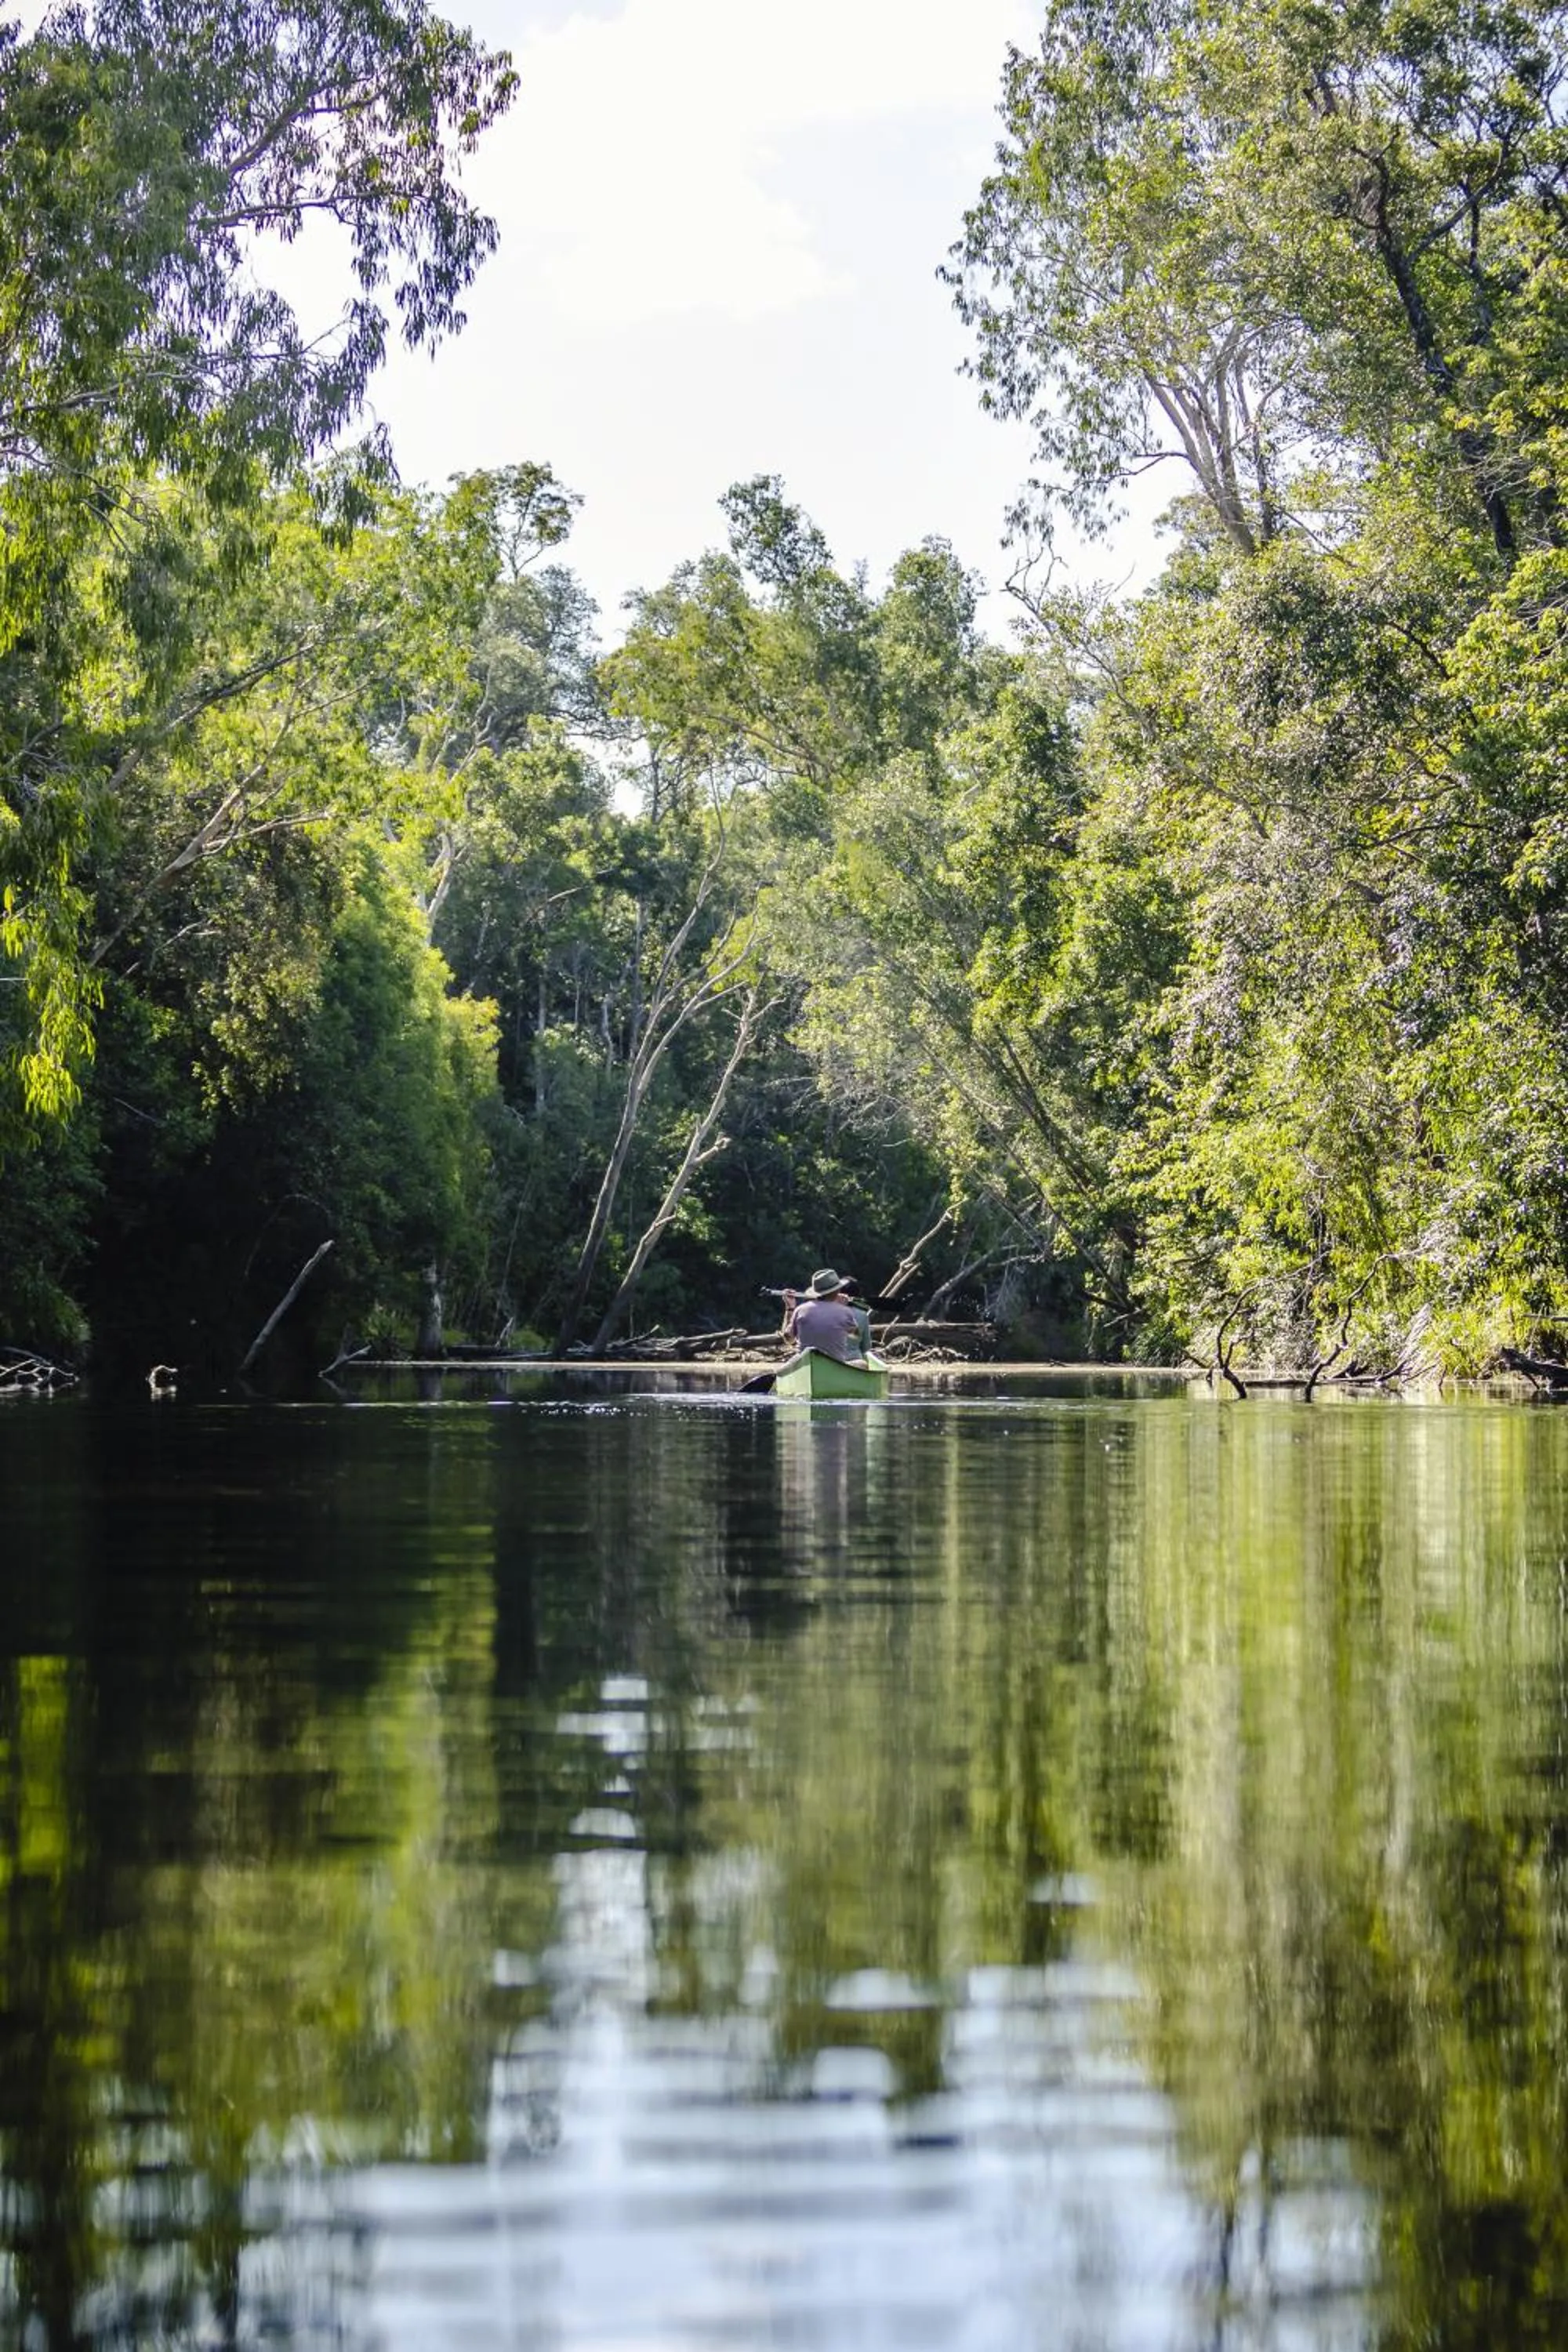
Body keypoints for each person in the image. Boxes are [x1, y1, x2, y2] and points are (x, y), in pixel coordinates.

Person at [781, 1268, 869, 1365]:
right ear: (838, 1290)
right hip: (836, 1366)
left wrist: (790, 1308)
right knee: (862, 1364)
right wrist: (841, 1308)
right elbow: (855, 1336)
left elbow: (788, 1339)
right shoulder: (844, 1312)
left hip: (806, 1365)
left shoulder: (800, 1310)